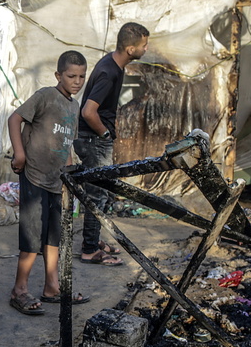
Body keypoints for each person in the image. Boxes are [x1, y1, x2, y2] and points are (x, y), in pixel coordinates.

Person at [8, 51, 92, 316]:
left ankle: (52, 287)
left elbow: (67, 144)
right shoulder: (45, 96)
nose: (77, 81)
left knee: (54, 238)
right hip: (34, 175)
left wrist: (68, 174)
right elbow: (14, 119)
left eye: (81, 76)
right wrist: (19, 153)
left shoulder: (73, 107)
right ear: (58, 75)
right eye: (71, 76)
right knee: (32, 238)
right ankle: (19, 290)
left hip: (57, 182)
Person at [74, 22, 149, 266]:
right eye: (143, 45)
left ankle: (93, 242)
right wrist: (105, 135)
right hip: (94, 140)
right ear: (130, 49)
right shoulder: (109, 72)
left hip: (95, 139)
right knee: (97, 196)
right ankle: (88, 250)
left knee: (102, 194)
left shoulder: (114, 64)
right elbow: (88, 111)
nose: (146, 50)